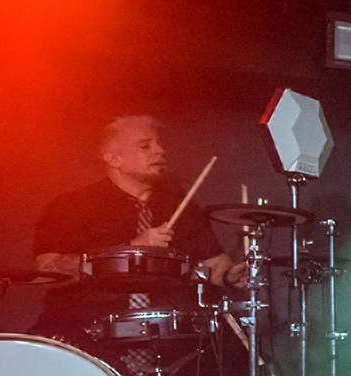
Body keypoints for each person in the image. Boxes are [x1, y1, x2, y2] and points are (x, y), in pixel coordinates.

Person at [34, 115, 244, 324]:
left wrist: (228, 275)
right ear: (114, 159)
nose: (160, 150)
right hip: (88, 331)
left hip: (169, 334)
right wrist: (132, 251)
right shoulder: (71, 206)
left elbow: (214, 263)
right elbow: (46, 273)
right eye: (145, 146)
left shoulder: (182, 206)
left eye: (160, 143)